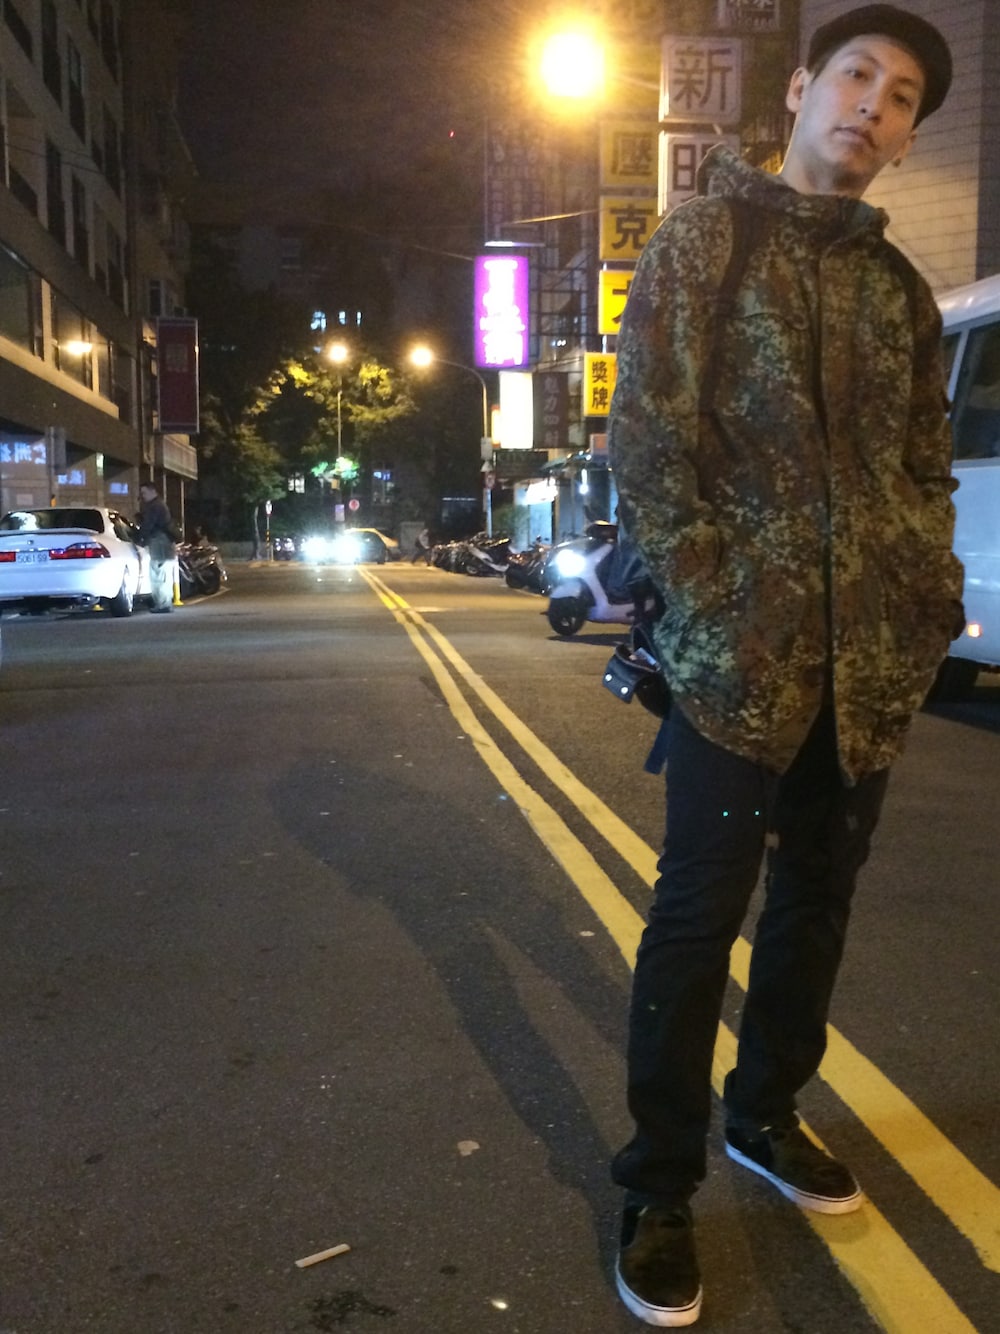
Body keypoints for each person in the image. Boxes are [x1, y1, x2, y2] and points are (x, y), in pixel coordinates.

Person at [606, 6, 964, 1326]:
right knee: (698, 916)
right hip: (734, 663)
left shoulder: (898, 291)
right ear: (804, 88)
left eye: (903, 95)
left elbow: (923, 469)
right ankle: (658, 1184)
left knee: (816, 901)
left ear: (908, 135)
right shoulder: (704, 240)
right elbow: (649, 440)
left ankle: (764, 1111)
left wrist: (923, 597)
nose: (874, 104)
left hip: (864, 663)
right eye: (858, 75)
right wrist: (713, 603)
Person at [137, 482, 178, 613]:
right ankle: (165, 603)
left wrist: (139, 538)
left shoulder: (155, 506)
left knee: (158, 573)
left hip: (159, 543)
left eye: (144, 493)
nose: (143, 496)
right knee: (162, 573)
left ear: (152, 491)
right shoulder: (160, 504)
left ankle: (163, 604)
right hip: (164, 543)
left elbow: (149, 525)